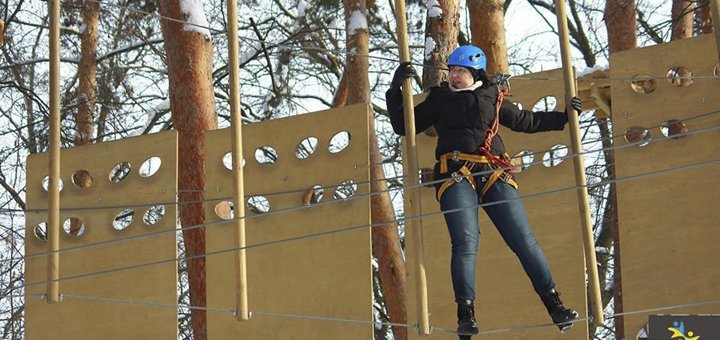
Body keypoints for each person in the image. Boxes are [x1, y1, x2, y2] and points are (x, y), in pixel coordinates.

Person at [385, 45, 581, 336]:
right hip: (455, 172)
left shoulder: (493, 96)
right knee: (465, 241)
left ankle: (555, 305)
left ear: (475, 73)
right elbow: (403, 125)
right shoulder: (440, 99)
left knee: (523, 239)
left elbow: (527, 121)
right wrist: (394, 89)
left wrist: (564, 118)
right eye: (451, 70)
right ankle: (466, 314)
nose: (454, 76)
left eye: (460, 71)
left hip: (493, 172)